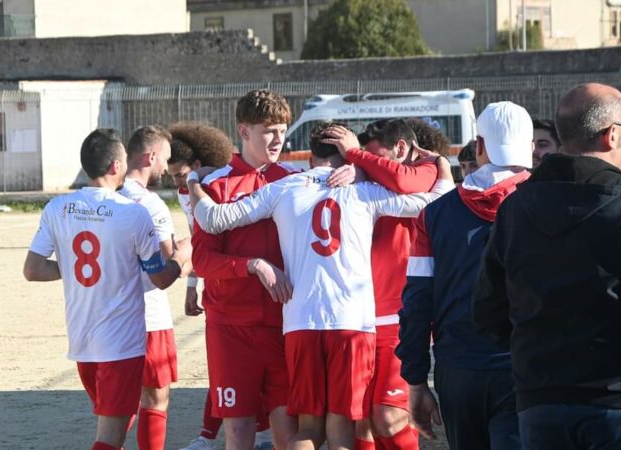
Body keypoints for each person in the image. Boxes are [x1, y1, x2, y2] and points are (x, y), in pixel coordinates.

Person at [188, 121, 455, 450]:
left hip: (299, 323)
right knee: (341, 431)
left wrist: (193, 183)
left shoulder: (284, 187)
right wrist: (442, 164)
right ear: (348, 155)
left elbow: (213, 219)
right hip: (351, 323)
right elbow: (436, 201)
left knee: (309, 431)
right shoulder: (365, 190)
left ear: (311, 157)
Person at [472, 83, 621, 449]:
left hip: (541, 405)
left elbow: (488, 310)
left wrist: (540, 346)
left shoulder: (515, 210)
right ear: (613, 135)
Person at [23, 128, 192, 450]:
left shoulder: (57, 208)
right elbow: (161, 278)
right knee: (110, 438)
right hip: (121, 344)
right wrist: (183, 255)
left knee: (111, 427)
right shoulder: (133, 213)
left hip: (82, 343)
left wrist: (73, 267)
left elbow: (33, 269)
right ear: (117, 166)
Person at [398, 101, 533, 450]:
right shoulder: (548, 205)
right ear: (530, 147)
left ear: (481, 146)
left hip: (458, 369)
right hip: (528, 368)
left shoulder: (433, 215)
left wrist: (415, 380)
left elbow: (417, 301)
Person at [321, 118, 442, 450]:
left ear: (401, 149)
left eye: (371, 155)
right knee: (360, 420)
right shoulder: (369, 177)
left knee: (388, 417)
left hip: (396, 319)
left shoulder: (427, 171)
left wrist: (360, 162)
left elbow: (403, 181)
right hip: (356, 317)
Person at [166, 122, 273, 450]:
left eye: (179, 175)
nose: (176, 183)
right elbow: (202, 245)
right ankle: (210, 435)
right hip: (220, 286)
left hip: (248, 290)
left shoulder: (220, 184)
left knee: (249, 371)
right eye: (170, 176)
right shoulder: (189, 192)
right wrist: (190, 287)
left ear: (198, 166)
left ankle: (250, 433)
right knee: (225, 369)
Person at [118, 125, 191, 450]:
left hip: (114, 314)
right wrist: (188, 252)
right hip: (148, 315)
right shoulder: (150, 204)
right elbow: (163, 266)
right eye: (164, 158)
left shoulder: (111, 195)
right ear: (150, 156)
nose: (166, 166)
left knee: (118, 403)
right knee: (155, 397)